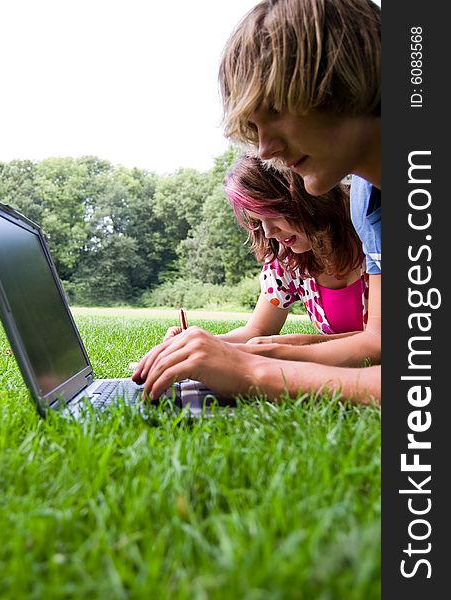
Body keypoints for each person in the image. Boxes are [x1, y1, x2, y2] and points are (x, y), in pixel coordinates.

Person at [133, 0, 381, 404]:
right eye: (254, 128)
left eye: (276, 110)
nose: (265, 149)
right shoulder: (368, 205)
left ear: (346, 79)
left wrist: (254, 369)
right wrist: (241, 351)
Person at [164, 155, 368, 346]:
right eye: (259, 221)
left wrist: (297, 345)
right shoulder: (288, 259)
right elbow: (257, 330)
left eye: (272, 214)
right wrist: (199, 341)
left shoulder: (372, 228)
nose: (269, 232)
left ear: (302, 195)